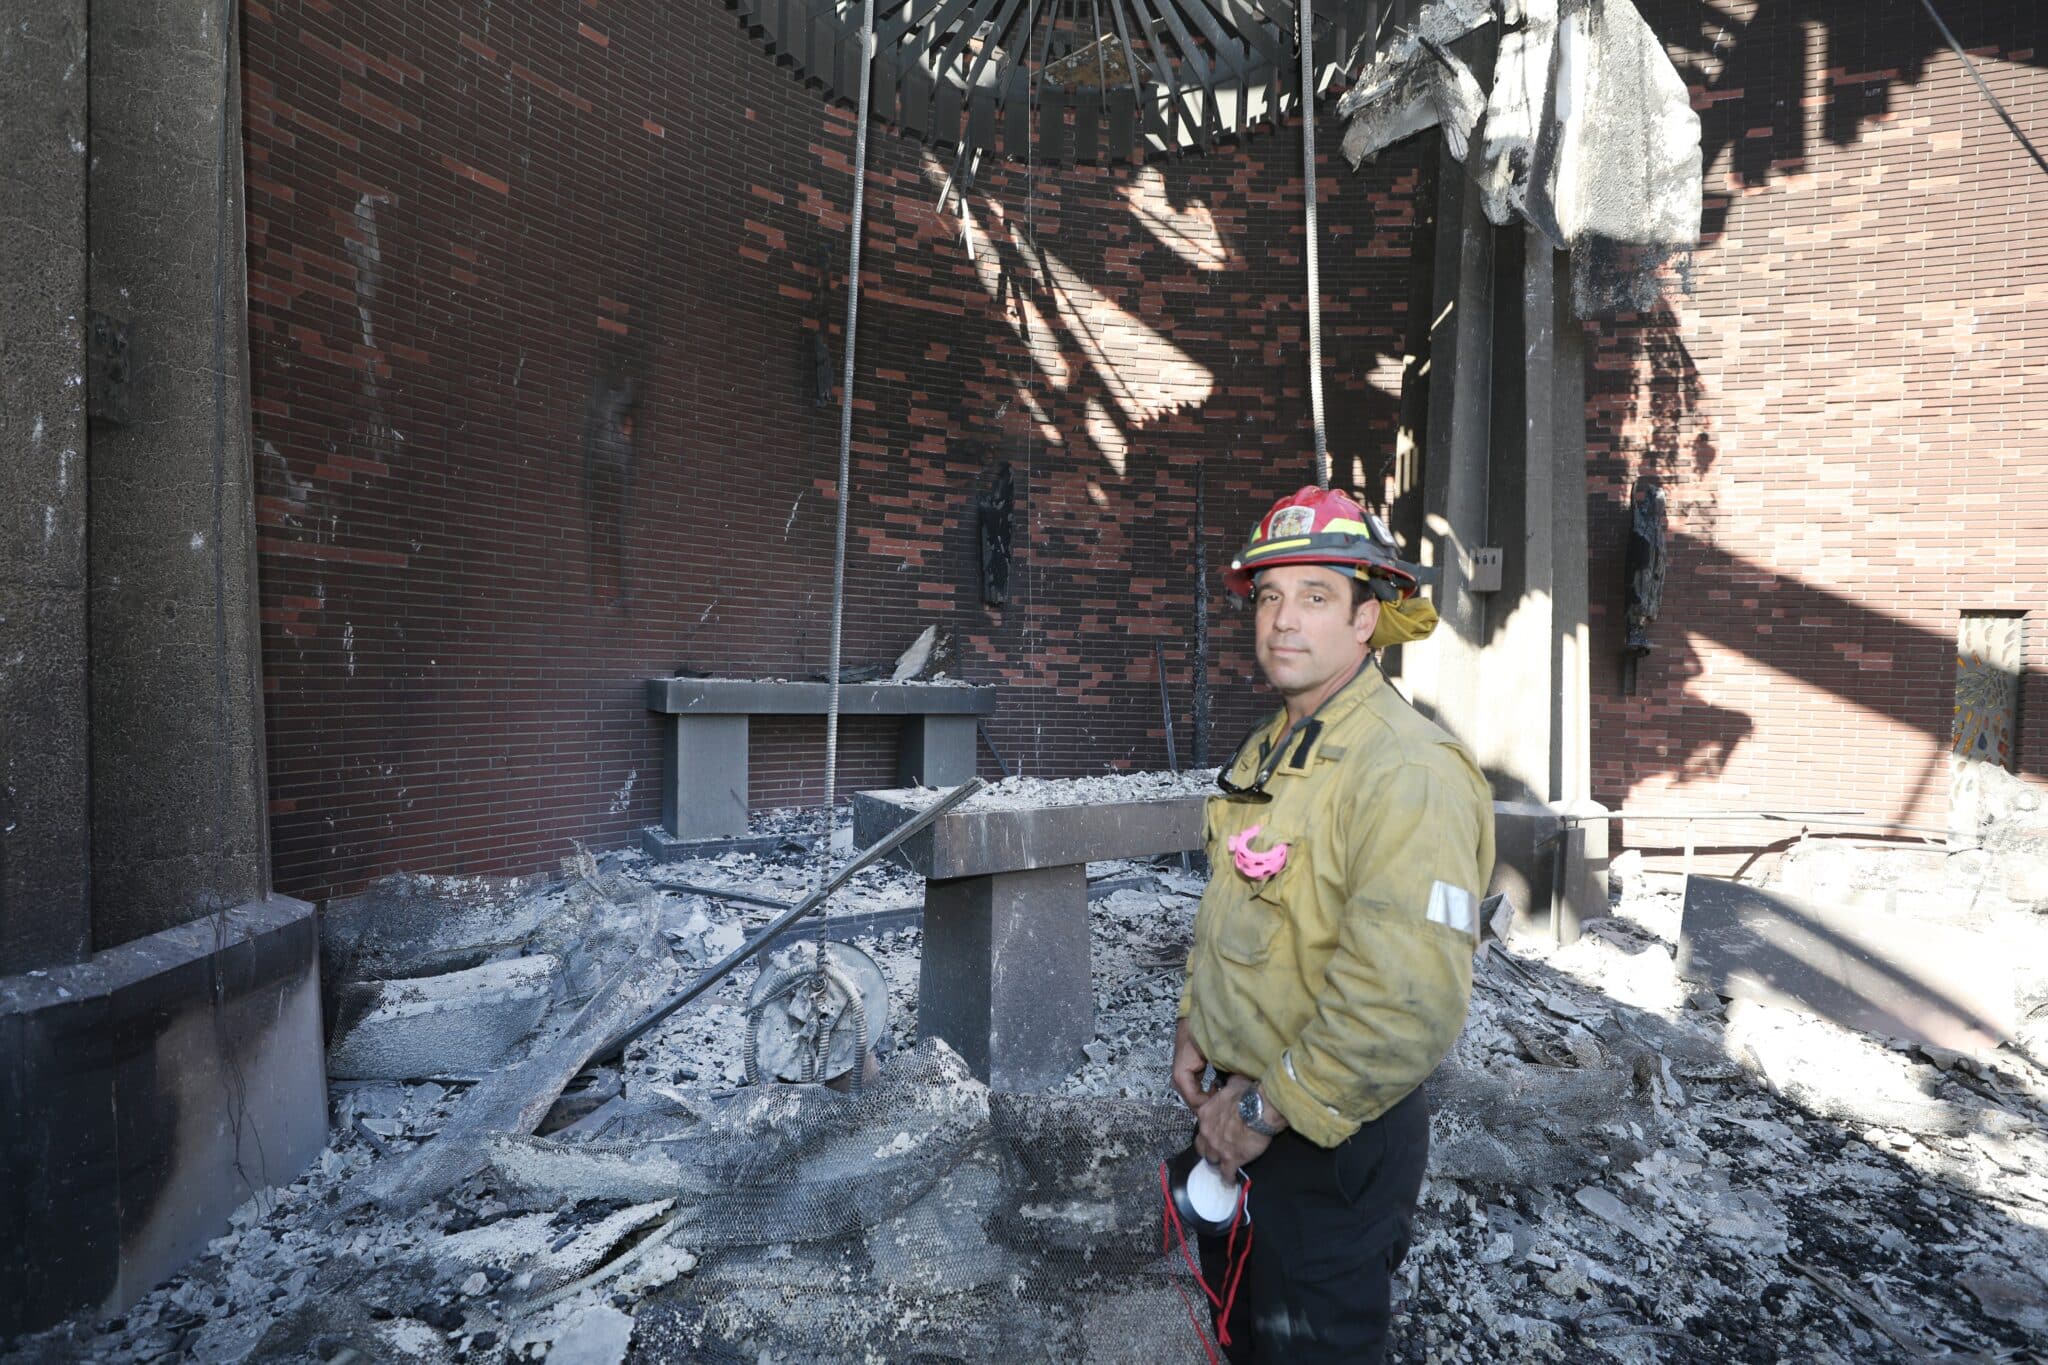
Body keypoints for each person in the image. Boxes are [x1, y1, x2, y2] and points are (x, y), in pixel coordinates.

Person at [1171, 485, 1496, 1363]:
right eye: (1270, 596)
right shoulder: (1274, 747)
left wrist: (1260, 1111)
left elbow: (1404, 1003)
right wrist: (1197, 1026)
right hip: (1250, 1109)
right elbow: (1241, 906)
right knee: (1247, 1336)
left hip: (1329, 1135)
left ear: (1368, 619)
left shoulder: (1409, 772)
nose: (1283, 620)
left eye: (1316, 596)